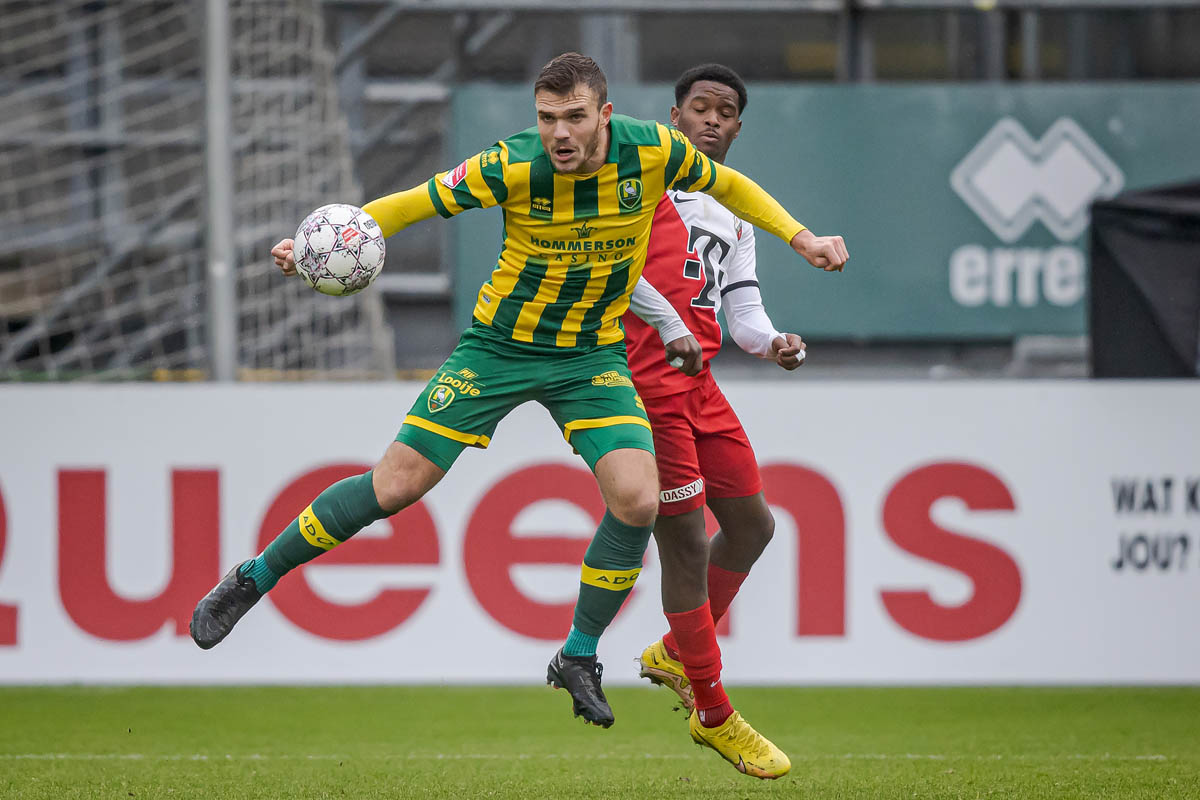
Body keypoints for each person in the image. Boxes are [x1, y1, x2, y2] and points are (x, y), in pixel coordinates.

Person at [189, 53, 848, 731]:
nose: (560, 133)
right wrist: (323, 244)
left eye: (574, 117)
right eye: (547, 118)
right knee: (396, 485)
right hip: (499, 350)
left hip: (590, 356)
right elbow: (412, 203)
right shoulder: (511, 165)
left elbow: (731, 187)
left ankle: (578, 655)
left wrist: (799, 237)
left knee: (637, 497)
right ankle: (255, 577)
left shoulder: (652, 150)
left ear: (605, 116)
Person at [624, 64, 842, 779]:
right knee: (685, 542)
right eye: (700, 108)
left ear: (738, 128)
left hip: (701, 385)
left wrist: (775, 341)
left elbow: (742, 314)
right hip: (647, 382)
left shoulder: (735, 213)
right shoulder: (640, 187)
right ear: (674, 116)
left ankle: (674, 652)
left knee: (753, 526)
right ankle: (713, 708)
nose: (712, 120)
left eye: (725, 112)